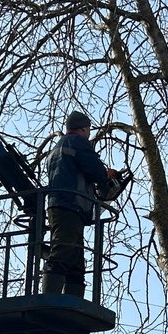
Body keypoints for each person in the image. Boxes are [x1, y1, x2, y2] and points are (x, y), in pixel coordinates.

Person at [42, 110, 115, 297]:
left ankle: (70, 301)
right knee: (62, 252)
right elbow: (95, 170)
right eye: (88, 130)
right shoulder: (78, 143)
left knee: (75, 261)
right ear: (83, 128)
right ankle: (50, 300)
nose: (89, 133)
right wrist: (107, 175)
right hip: (71, 205)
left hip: (57, 205)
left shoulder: (55, 148)